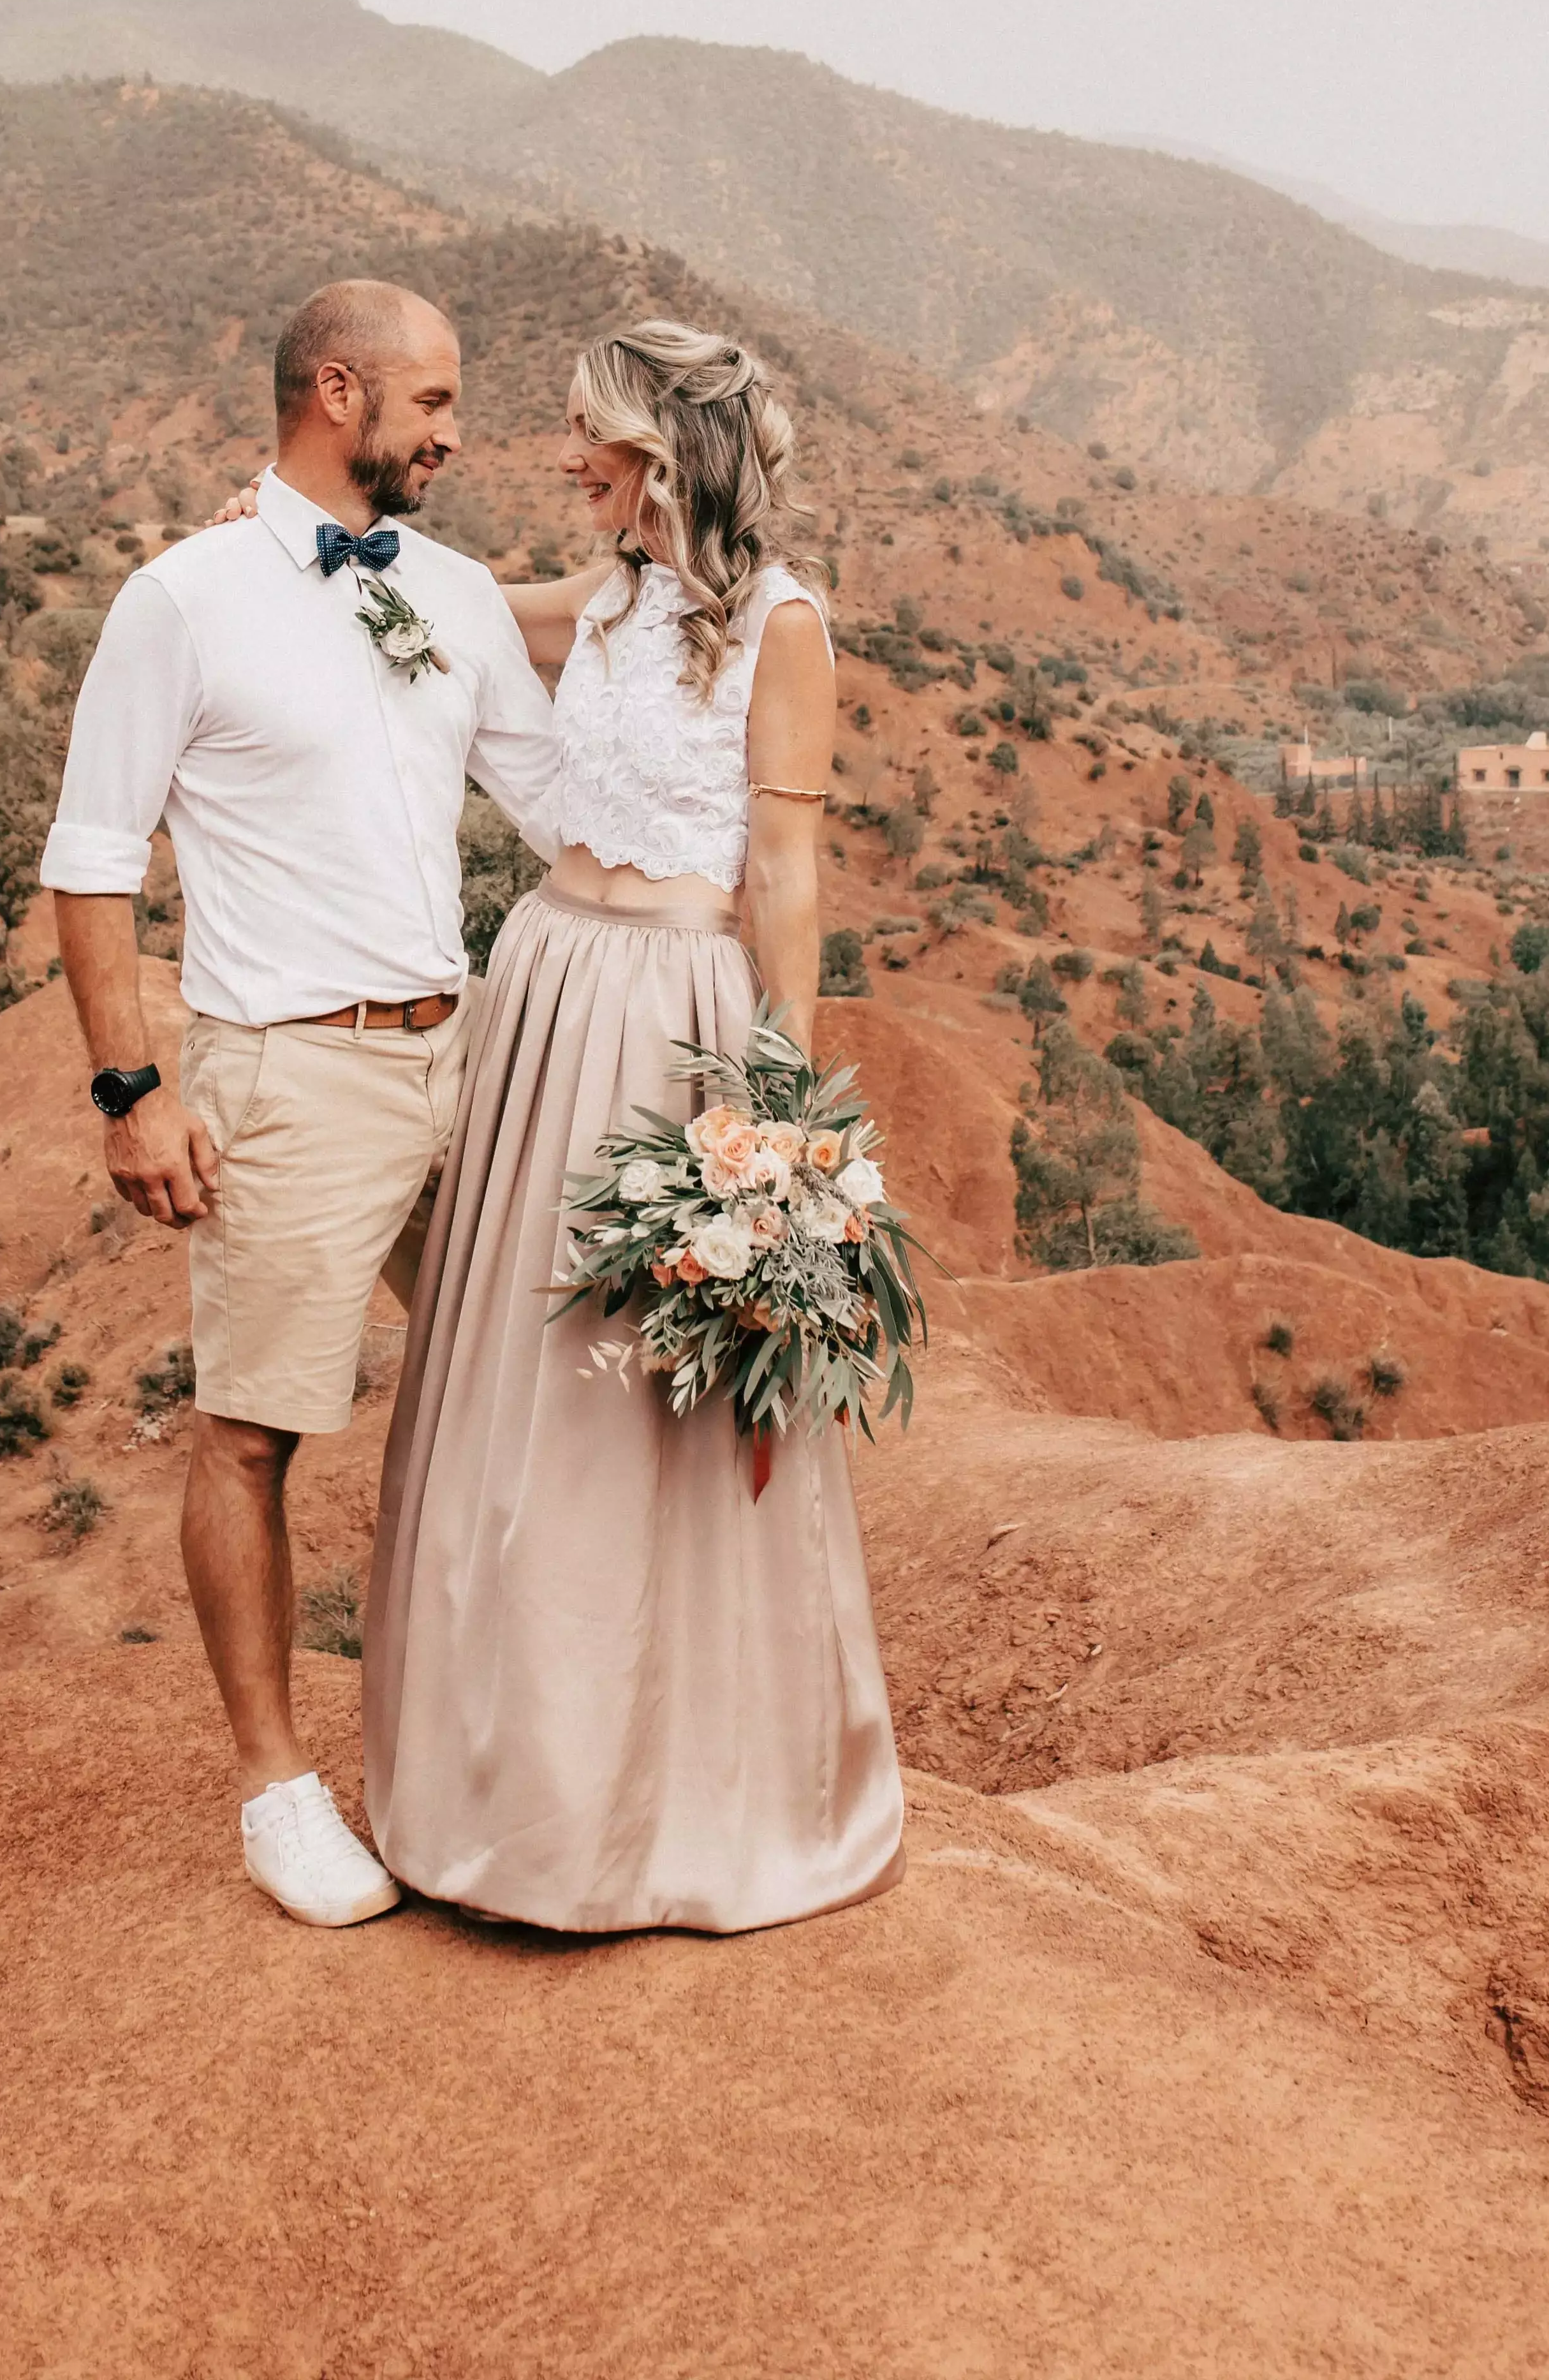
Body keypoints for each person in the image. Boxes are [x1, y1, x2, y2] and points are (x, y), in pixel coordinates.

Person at [363, 320, 904, 1931]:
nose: (564, 457)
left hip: (674, 1017)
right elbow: (442, 614)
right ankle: (501, 1797)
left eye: (589, 433)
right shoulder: (600, 597)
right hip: (539, 990)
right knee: (511, 1384)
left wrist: (784, 1102)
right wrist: (320, 539)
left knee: (636, 1407)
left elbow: (786, 874)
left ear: (664, 451)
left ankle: (661, 1808)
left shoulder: (783, 628)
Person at [42, 278, 557, 1930]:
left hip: (464, 1059)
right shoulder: (182, 601)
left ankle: (502, 1738)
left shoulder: (458, 595)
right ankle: (277, 1791)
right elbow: (94, 858)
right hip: (289, 1065)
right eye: (434, 402)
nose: (456, 433)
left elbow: (559, 811)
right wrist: (136, 1090)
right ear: (337, 393)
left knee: (540, 1381)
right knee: (255, 1430)